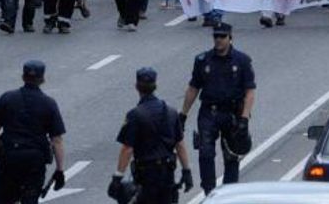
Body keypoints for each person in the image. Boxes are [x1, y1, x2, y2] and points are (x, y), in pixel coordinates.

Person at [180, 23, 256, 195]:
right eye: (216, 36)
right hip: (209, 112)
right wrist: (183, 114)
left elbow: (249, 92)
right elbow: (193, 88)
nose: (219, 40)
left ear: (230, 38)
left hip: (233, 113)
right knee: (205, 152)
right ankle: (209, 191)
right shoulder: (203, 60)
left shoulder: (242, 61)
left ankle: (229, 193)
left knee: (231, 155)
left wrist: (244, 118)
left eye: (223, 36)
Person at [0, 60, 66, 204]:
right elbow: (57, 140)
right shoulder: (49, 103)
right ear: (42, 79)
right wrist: (60, 170)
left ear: (23, 77)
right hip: (34, 161)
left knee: (3, 199)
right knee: (29, 199)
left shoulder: (8, 98)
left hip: (10, 156)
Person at [108, 68, 193, 204]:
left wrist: (118, 176)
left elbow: (127, 149)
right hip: (167, 174)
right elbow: (180, 144)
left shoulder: (135, 115)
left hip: (147, 175)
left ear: (137, 87)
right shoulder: (171, 112)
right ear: (155, 86)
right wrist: (186, 170)